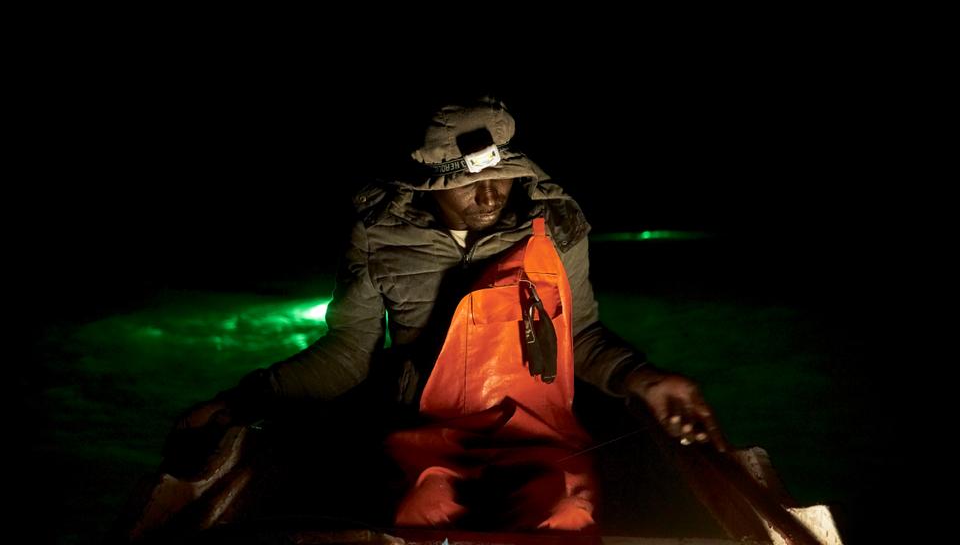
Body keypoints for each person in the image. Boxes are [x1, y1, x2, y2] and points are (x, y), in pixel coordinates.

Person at [176, 97, 727, 532]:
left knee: (565, 514)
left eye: (499, 177)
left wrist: (643, 378)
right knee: (425, 511)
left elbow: (578, 334)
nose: (488, 196)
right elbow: (348, 353)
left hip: (540, 430)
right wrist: (243, 400)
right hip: (426, 432)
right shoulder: (380, 235)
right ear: (427, 183)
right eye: (464, 184)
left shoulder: (554, 227)